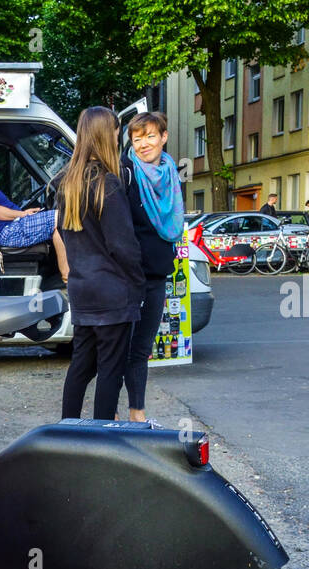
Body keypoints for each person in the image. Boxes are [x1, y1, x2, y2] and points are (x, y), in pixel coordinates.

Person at [56, 106, 144, 421]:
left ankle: (67, 430)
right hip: (112, 292)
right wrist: (138, 283)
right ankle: (102, 437)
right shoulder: (109, 184)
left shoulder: (67, 184)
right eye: (117, 131)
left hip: (83, 289)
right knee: (110, 370)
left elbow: (63, 235)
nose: (119, 137)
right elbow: (123, 245)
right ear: (106, 136)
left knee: (81, 366)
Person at [120, 111, 184, 422]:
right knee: (116, 349)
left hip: (158, 274)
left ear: (163, 137)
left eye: (150, 136)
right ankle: (99, 417)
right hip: (128, 276)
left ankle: (137, 412)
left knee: (141, 348)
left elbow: (171, 225)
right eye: (137, 138)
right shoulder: (125, 170)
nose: (144, 143)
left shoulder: (171, 172)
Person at [0, 147, 70, 282]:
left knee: (57, 225)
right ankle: (67, 278)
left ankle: (67, 277)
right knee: (59, 217)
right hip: (8, 231)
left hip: (11, 226)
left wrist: (23, 214)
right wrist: (22, 214)